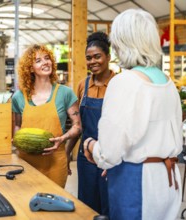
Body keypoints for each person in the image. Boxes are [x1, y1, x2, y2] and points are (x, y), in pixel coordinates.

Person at [83, 9, 183, 220]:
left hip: (137, 183)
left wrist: (91, 146)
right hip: (167, 180)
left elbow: (109, 151)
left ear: (123, 42)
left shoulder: (124, 82)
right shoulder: (167, 82)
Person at [12, 44, 82, 188]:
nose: (45, 62)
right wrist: (18, 139)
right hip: (26, 162)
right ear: (30, 68)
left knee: (54, 205)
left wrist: (63, 138)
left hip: (55, 162)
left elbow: (78, 126)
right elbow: (17, 126)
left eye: (47, 58)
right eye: (38, 60)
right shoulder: (19, 97)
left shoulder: (65, 93)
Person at [66, 31, 115, 216]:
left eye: (97, 56)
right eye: (89, 58)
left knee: (109, 205)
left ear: (108, 57)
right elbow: (77, 125)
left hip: (110, 155)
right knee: (87, 206)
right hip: (85, 159)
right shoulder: (82, 86)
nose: (93, 61)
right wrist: (67, 152)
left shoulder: (118, 83)